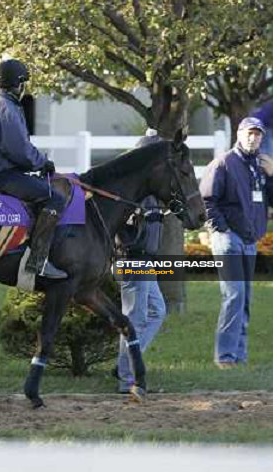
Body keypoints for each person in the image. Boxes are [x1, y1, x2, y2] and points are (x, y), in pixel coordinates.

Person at [0, 59, 67, 279]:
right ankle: (38, 261)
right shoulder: (5, 107)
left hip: (0, 172)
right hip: (2, 176)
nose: (24, 88)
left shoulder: (0, 104)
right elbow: (18, 150)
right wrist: (42, 162)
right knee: (54, 198)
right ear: (17, 84)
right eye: (23, 83)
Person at [199, 117, 273, 368]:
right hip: (229, 240)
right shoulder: (223, 163)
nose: (254, 138)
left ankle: (239, 356)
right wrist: (223, 230)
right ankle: (225, 356)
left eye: (258, 134)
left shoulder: (260, 166)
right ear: (239, 134)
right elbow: (207, 201)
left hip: (250, 240)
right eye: (249, 133)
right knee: (234, 295)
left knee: (245, 298)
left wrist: (273, 175)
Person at [114, 129, 167, 393]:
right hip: (134, 260)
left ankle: (126, 364)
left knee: (157, 312)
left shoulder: (154, 188)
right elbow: (119, 228)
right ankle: (126, 379)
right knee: (134, 318)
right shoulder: (131, 189)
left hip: (149, 260)